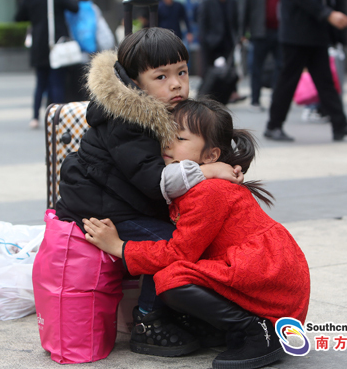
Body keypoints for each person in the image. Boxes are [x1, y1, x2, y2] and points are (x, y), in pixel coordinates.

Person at [56, 28, 244, 357]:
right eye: (161, 76)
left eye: (182, 72)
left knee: (190, 238)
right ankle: (148, 322)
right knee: (169, 244)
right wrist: (206, 171)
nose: (176, 84)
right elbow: (153, 180)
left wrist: (223, 166)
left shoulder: (159, 109)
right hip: (103, 207)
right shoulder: (127, 120)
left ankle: (182, 311)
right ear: (134, 83)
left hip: (125, 199)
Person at [83, 98, 310, 369]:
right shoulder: (200, 184)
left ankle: (257, 332)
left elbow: (178, 253)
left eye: (179, 138)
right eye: (165, 135)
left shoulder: (207, 191)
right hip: (262, 272)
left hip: (266, 275)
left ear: (211, 156)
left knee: (171, 278)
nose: (167, 144)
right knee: (183, 273)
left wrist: (120, 246)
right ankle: (227, 328)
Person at [264, 0, 347, 142]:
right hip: (296, 35)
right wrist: (328, 14)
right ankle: (273, 126)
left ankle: (340, 124)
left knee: (325, 80)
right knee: (288, 81)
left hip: (317, 34)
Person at [15, 0, 79, 129]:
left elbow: (18, 17)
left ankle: (35, 117)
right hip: (56, 44)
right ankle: (58, 117)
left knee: (40, 83)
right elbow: (74, 8)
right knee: (57, 82)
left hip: (39, 45)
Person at [55, 0, 115, 102]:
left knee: (72, 93)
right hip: (78, 54)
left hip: (72, 55)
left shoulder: (65, 2)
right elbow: (103, 32)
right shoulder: (86, 4)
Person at [197, 0, 245, 103]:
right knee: (210, 72)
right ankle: (206, 96)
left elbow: (237, 22)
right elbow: (202, 25)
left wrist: (239, 37)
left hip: (228, 42)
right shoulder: (207, 2)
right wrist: (206, 41)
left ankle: (230, 93)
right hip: (212, 44)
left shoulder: (231, 1)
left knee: (229, 69)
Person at [240, 0, 282, 112]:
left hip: (279, 30)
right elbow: (244, 7)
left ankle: (276, 97)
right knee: (256, 67)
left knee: (281, 65)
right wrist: (242, 32)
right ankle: (255, 100)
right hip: (259, 32)